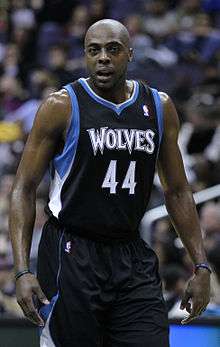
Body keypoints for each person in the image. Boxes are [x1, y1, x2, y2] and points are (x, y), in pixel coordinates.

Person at [9, 19, 211, 347]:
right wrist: (21, 270)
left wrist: (200, 264)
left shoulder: (158, 106)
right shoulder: (61, 106)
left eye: (113, 49)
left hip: (130, 253)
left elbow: (177, 190)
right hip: (71, 252)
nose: (103, 57)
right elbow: (23, 187)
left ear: (129, 55)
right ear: (86, 57)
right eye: (94, 51)